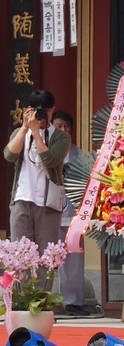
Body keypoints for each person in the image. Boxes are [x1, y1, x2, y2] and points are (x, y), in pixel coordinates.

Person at [3, 90, 70, 281]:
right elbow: (9, 155)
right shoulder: (20, 132)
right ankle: (20, 304)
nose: (41, 117)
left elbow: (50, 160)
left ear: (52, 110)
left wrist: (37, 133)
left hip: (47, 203)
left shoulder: (60, 137)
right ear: (29, 110)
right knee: (19, 255)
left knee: (44, 258)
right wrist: (25, 128)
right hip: (21, 199)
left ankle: (42, 305)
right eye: (36, 111)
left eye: (46, 112)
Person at [51, 110, 90, 317]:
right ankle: (40, 299)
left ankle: (72, 302)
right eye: (59, 126)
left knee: (73, 254)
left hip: (73, 212)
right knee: (45, 254)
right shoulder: (44, 150)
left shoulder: (79, 154)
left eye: (67, 127)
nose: (64, 130)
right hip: (48, 210)